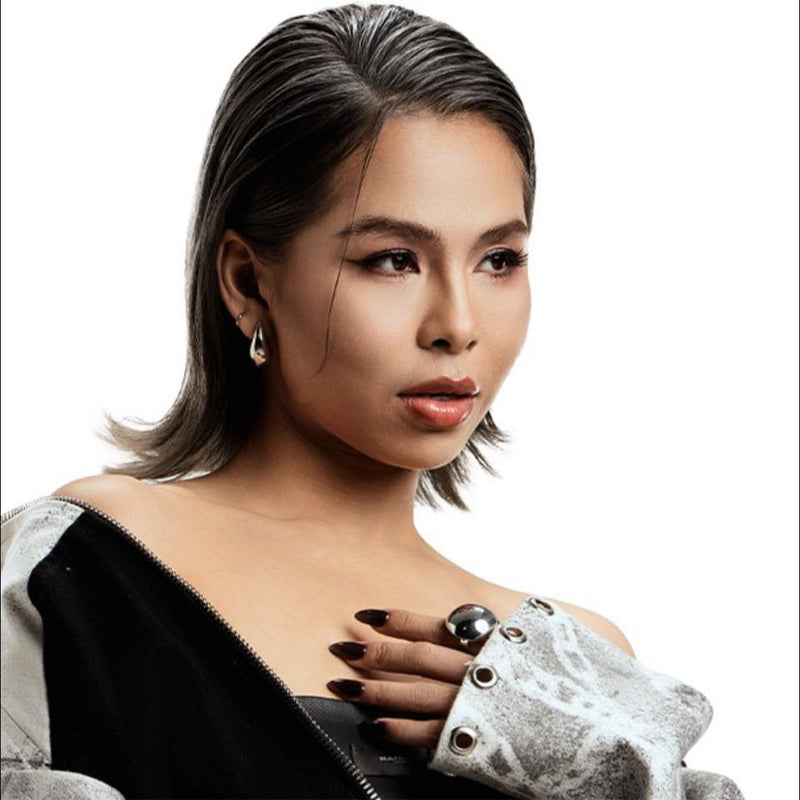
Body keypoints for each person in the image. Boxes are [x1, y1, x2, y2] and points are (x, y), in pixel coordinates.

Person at [1, 4, 745, 799]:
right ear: (248, 280)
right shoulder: (89, 567)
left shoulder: (575, 663)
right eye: (392, 259)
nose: (458, 325)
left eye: (499, 259)